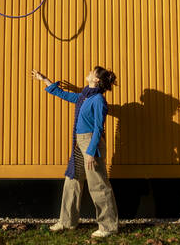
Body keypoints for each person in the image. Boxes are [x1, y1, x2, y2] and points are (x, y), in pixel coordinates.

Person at [30, 66, 119, 238]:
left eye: (93, 72)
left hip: (91, 143)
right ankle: (67, 221)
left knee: (98, 184)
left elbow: (99, 128)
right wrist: (44, 79)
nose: (89, 73)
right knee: (72, 180)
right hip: (79, 143)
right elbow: (63, 94)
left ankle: (108, 227)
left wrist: (91, 152)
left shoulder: (99, 100)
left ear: (96, 80)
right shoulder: (84, 96)